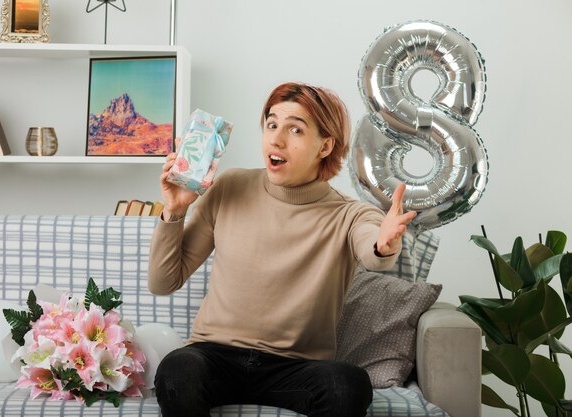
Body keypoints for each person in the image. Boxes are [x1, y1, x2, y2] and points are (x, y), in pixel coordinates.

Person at [148, 82, 417, 417]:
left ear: (325, 146)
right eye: (272, 125)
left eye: (295, 129)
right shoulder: (229, 188)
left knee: (347, 384)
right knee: (177, 371)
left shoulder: (350, 214)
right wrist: (174, 211)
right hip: (214, 356)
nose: (276, 139)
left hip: (295, 369)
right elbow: (163, 282)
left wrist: (384, 243)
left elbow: (373, 250)